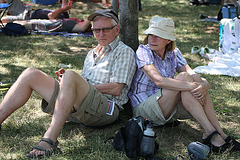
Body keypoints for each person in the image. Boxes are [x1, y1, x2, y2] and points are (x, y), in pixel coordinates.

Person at [0, 9, 136, 158]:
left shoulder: (124, 52)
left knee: (71, 75)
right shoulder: (92, 53)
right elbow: (83, 83)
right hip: (81, 107)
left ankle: (49, 141)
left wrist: (74, 86)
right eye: (96, 30)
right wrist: (67, 85)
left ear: (116, 30)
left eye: (105, 29)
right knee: (30, 73)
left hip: (106, 109)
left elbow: (117, 88)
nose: (100, 34)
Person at [128, 16, 240, 153]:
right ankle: (211, 133)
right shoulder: (143, 51)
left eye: (158, 36)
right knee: (184, 78)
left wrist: (204, 85)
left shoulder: (173, 52)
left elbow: (192, 73)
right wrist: (194, 86)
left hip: (166, 105)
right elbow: (159, 80)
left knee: (191, 80)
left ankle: (219, 133)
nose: (152, 39)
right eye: (150, 34)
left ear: (168, 40)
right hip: (145, 109)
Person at [9, 3, 91, 33]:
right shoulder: (69, 20)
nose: (79, 19)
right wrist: (65, 8)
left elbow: (83, 28)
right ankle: (5, 25)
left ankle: (5, 26)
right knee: (24, 23)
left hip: (30, 16)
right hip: (34, 15)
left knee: (24, 24)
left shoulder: (75, 25)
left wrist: (92, 17)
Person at [0, 0, 70, 23]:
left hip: (27, 14)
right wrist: (64, 8)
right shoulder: (64, 15)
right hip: (28, 12)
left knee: (3, 19)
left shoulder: (62, 17)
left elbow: (51, 15)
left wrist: (64, 9)